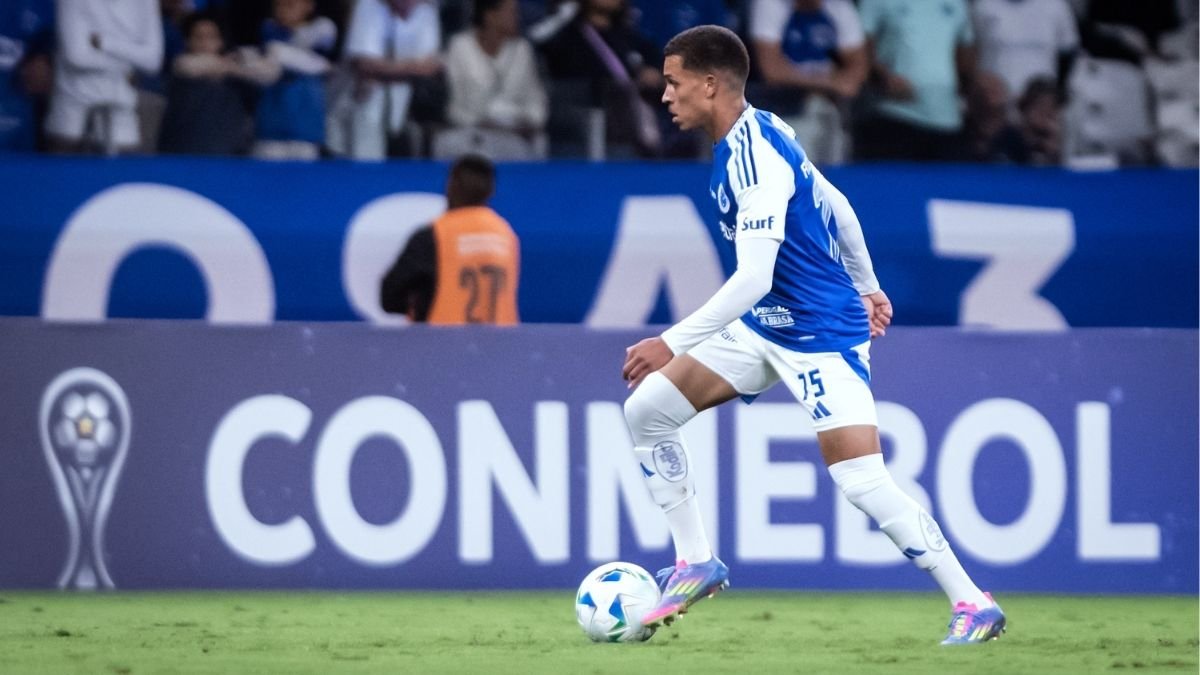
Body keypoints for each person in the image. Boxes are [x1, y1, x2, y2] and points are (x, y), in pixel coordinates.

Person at [622, 24, 1006, 645]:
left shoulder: (758, 159)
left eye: (674, 82)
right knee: (647, 413)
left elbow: (752, 277)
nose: (665, 95)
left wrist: (673, 341)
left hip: (820, 332)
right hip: (765, 324)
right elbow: (836, 204)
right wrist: (870, 280)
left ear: (711, 83)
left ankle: (973, 603)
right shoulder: (763, 130)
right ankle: (696, 562)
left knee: (860, 480)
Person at [380, 154, 520, 325]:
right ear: (491, 191)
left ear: (451, 185)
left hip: (442, 344)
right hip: (499, 346)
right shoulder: (506, 235)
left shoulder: (434, 235)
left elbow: (388, 297)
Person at [854, 0, 975, 161]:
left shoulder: (957, 3)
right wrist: (883, 77)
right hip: (895, 115)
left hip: (948, 119)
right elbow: (858, 46)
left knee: (948, 185)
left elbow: (965, 54)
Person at [748, 0, 867, 164]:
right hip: (784, 109)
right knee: (799, 170)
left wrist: (841, 83)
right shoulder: (770, 4)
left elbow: (857, 67)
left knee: (834, 173)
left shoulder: (838, 6)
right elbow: (772, 70)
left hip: (830, 108)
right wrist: (832, 83)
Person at [326, 0, 442, 160]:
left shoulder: (427, 10)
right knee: (365, 166)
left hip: (409, 109)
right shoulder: (368, 6)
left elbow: (430, 67)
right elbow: (364, 64)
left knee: (406, 171)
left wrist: (384, 69)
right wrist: (412, 67)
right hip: (363, 103)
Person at [47, 0, 164, 154]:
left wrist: (104, 43)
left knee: (123, 169)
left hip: (122, 99)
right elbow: (76, 56)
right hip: (74, 98)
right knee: (62, 163)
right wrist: (130, 60)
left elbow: (153, 61)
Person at [438, 0, 548, 160]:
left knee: (521, 148)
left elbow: (536, 101)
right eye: (512, 12)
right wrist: (484, 124)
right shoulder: (460, 47)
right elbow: (456, 108)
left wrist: (528, 123)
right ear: (491, 16)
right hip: (472, 132)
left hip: (515, 131)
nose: (518, 17)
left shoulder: (522, 49)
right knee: (462, 147)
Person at [253, 0, 337, 160]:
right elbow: (278, 52)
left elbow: (326, 34)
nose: (283, 10)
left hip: (306, 131)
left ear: (309, 6)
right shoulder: (269, 30)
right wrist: (320, 64)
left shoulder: (322, 29)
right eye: (278, 5)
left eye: (290, 5)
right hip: (270, 131)